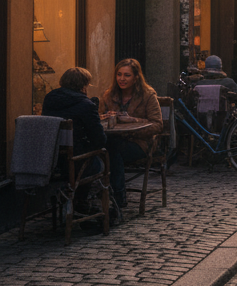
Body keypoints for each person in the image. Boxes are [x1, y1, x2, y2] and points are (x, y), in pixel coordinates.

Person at [41, 67, 107, 214]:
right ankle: (81, 201)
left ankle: (71, 199)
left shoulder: (49, 98)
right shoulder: (86, 105)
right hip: (76, 163)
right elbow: (100, 140)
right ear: (84, 85)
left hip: (51, 159)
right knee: (98, 161)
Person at [98, 58, 162, 209]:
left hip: (139, 143)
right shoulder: (109, 95)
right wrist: (105, 117)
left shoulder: (147, 95)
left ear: (136, 77)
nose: (122, 79)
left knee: (112, 153)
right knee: (107, 150)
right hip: (114, 140)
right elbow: (98, 118)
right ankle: (109, 195)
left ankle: (118, 198)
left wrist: (132, 120)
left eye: (127, 75)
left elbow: (158, 125)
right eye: (119, 74)